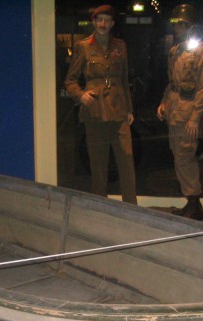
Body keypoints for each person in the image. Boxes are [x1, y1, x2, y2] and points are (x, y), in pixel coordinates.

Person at [65, 4, 137, 205]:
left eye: (107, 20)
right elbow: (70, 80)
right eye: (99, 20)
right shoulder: (83, 46)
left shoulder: (120, 46)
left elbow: (124, 79)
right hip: (95, 112)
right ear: (94, 22)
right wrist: (80, 95)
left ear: (112, 23)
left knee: (126, 162)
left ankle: (132, 209)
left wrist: (130, 109)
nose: (103, 24)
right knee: (98, 165)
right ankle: (100, 208)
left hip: (119, 110)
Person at [156, 3, 203, 220]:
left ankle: (195, 205)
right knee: (178, 156)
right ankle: (190, 202)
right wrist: (163, 103)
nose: (176, 28)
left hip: (189, 114)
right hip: (175, 112)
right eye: (175, 25)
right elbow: (172, 84)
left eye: (180, 25)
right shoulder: (176, 50)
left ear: (189, 25)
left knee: (185, 157)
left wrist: (195, 118)